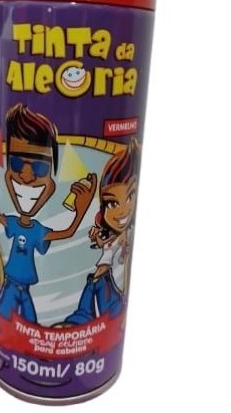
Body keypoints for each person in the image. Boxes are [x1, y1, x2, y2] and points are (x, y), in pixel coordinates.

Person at [0, 103, 97, 323]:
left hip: (25, 288)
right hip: (10, 285)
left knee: (28, 320)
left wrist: (82, 210)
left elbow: (66, 233)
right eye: (16, 163)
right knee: (2, 319)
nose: (27, 177)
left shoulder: (37, 229)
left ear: (52, 181)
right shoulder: (13, 222)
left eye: (40, 167)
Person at [64, 138, 140, 325]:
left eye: (130, 196)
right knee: (83, 314)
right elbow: (103, 244)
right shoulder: (110, 236)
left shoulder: (123, 236)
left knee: (110, 315)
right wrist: (96, 236)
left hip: (106, 282)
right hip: (95, 281)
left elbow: (121, 249)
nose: (122, 211)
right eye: (112, 203)